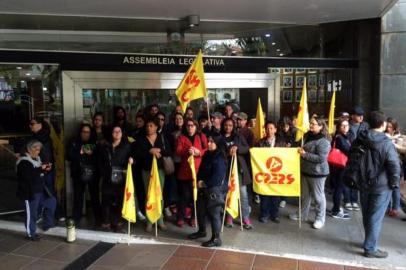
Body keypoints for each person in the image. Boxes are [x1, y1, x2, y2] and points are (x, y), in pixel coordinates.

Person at [352, 111, 400, 258]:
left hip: (363, 182)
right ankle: (370, 248)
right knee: (375, 217)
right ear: (383, 124)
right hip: (381, 185)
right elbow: (394, 165)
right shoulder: (386, 143)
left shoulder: (360, 138)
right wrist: (394, 183)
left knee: (367, 214)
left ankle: (368, 241)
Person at [289, 117, 331, 229]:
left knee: (318, 197)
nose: (311, 125)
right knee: (305, 196)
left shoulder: (324, 141)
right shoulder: (307, 135)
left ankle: (320, 219)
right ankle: (302, 214)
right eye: (310, 123)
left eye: (314, 124)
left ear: (321, 126)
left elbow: (321, 158)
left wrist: (304, 154)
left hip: (318, 173)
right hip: (305, 171)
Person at [188, 135, 227, 247]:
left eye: (211, 142)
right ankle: (202, 231)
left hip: (214, 190)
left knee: (214, 214)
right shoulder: (207, 154)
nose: (208, 143)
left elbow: (217, 178)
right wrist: (197, 180)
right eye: (208, 141)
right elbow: (201, 169)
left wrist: (204, 183)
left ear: (217, 144)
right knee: (200, 211)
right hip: (203, 188)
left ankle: (216, 239)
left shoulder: (220, 158)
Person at [134, 117, 171, 232]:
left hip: (159, 170)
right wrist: (149, 151)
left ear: (156, 127)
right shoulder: (141, 139)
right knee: (148, 195)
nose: (149, 128)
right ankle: (149, 221)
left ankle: (160, 220)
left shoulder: (162, 137)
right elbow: (137, 155)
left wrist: (158, 150)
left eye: (151, 126)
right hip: (146, 171)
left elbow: (169, 152)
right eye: (147, 126)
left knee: (159, 195)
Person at [17, 140, 56, 241]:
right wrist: (40, 169)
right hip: (30, 192)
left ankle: (47, 224)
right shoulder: (23, 162)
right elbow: (28, 177)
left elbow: (39, 175)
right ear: (29, 149)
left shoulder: (37, 159)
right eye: (36, 149)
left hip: (40, 190)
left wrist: (45, 169)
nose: (38, 151)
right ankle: (31, 233)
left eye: (39, 149)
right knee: (31, 213)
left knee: (51, 202)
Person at [98, 125, 132, 232]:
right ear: (111, 133)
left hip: (121, 176)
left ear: (122, 133)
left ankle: (118, 222)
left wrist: (132, 161)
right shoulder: (105, 146)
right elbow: (100, 161)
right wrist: (103, 172)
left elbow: (132, 159)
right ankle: (106, 222)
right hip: (108, 176)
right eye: (114, 131)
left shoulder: (127, 146)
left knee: (120, 200)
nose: (117, 133)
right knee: (106, 200)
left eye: (119, 131)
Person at [67, 124, 101, 227]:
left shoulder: (95, 143)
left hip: (92, 174)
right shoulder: (74, 142)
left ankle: (98, 219)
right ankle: (76, 219)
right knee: (78, 196)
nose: (86, 134)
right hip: (78, 173)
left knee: (95, 197)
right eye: (84, 132)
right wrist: (81, 151)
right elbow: (69, 156)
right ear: (80, 132)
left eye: (88, 132)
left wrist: (92, 153)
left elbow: (100, 158)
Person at [175, 118, 207, 227]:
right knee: (184, 195)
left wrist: (199, 152)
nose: (190, 127)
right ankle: (180, 217)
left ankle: (194, 217)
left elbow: (207, 149)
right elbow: (178, 151)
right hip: (185, 171)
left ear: (196, 126)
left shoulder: (201, 136)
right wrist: (187, 151)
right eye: (188, 125)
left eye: (192, 125)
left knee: (196, 195)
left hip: (198, 171)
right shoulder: (181, 137)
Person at [222, 117, 253, 229]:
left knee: (243, 195)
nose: (228, 127)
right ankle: (229, 217)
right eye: (226, 125)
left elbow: (247, 149)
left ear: (233, 126)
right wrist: (228, 152)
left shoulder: (238, 136)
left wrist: (237, 147)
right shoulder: (220, 138)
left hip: (239, 171)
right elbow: (217, 152)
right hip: (225, 171)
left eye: (230, 125)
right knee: (228, 195)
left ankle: (245, 218)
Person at [256, 121, 286, 223]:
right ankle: (264, 214)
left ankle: (275, 214)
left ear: (275, 130)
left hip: (277, 172)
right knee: (264, 194)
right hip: (264, 172)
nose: (269, 131)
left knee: (275, 195)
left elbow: (286, 157)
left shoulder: (281, 142)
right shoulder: (260, 142)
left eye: (272, 128)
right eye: (267, 128)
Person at [329, 119, 353, 219]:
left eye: (346, 125)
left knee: (339, 188)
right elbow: (347, 150)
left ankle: (336, 208)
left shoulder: (344, 136)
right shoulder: (339, 137)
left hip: (338, 166)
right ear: (338, 127)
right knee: (339, 188)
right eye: (342, 125)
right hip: (340, 166)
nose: (345, 127)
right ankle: (336, 210)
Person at [384, 117, 402, 217]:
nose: (388, 129)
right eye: (387, 126)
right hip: (386, 164)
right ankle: (387, 207)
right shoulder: (383, 136)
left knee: (396, 186)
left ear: (394, 128)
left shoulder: (399, 137)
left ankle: (395, 208)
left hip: (396, 164)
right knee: (387, 186)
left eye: (390, 127)